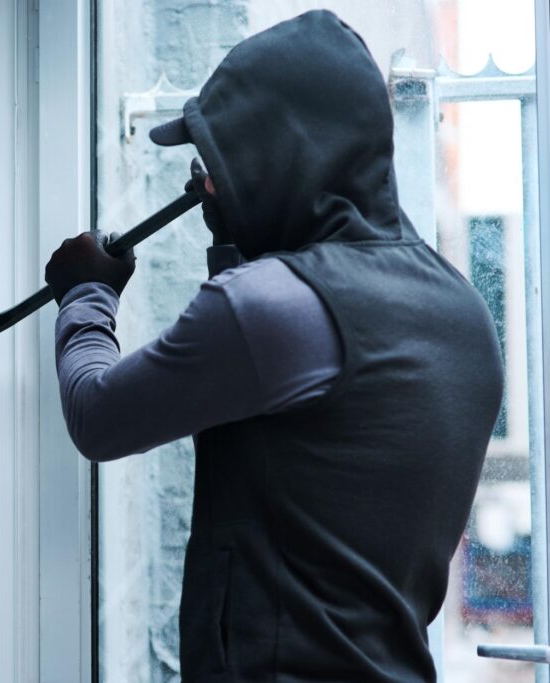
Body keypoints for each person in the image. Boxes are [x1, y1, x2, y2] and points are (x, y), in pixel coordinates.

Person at [44, 10, 504, 682]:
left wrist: (85, 294)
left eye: (219, 161)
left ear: (282, 154)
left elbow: (98, 414)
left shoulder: (272, 309)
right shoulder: (462, 314)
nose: (203, 184)